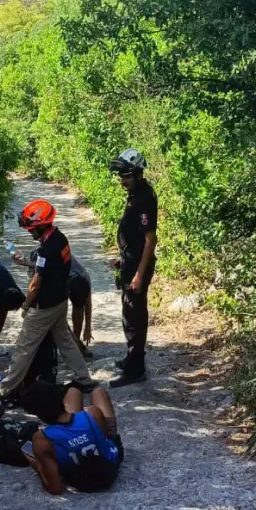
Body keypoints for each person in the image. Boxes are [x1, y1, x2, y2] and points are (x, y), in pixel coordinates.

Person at [0, 199, 96, 402]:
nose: (28, 231)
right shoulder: (61, 239)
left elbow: (36, 283)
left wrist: (26, 305)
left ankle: (5, 390)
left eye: (31, 228)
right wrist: (27, 262)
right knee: (66, 342)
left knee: (24, 347)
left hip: (43, 307)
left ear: (41, 225)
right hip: (60, 302)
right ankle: (84, 379)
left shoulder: (46, 250)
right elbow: (52, 268)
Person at [108, 148, 158, 388]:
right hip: (129, 262)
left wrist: (139, 273)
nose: (122, 181)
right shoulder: (135, 195)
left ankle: (136, 369)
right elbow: (134, 235)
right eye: (121, 176)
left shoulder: (146, 197)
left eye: (126, 176)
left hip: (138, 267)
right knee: (128, 314)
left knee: (135, 315)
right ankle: (131, 358)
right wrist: (122, 257)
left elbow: (150, 240)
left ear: (138, 173)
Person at [20, 382, 124, 494]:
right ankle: (72, 420)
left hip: (81, 476)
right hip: (109, 462)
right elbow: (104, 437)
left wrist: (36, 463)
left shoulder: (42, 440)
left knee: (73, 392)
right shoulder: (93, 412)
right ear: (61, 399)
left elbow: (54, 488)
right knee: (97, 392)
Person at [18, 248, 94, 357]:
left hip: (63, 273)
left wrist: (88, 328)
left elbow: (88, 304)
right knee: (54, 312)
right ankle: (73, 343)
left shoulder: (83, 277)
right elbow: (35, 289)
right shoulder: (54, 280)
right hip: (47, 272)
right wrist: (26, 305)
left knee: (78, 309)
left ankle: (75, 342)